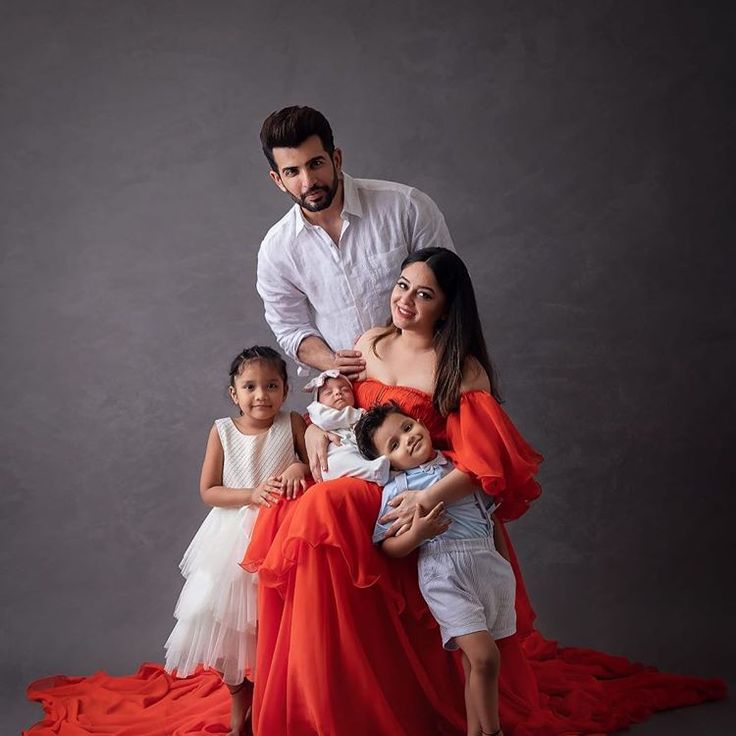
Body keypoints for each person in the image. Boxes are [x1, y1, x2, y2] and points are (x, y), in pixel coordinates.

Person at [243, 247, 725, 735]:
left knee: (328, 504)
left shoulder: (459, 368)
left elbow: (483, 461)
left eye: (424, 294)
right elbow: (337, 409)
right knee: (298, 502)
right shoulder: (369, 343)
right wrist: (315, 434)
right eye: (403, 285)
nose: (406, 301)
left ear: (447, 308)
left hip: (416, 483)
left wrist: (426, 497)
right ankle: (326, 696)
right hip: (367, 475)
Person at [164, 346, 309, 736]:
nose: (261, 394)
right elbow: (209, 490)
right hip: (230, 540)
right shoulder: (223, 430)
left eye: (271, 385)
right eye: (250, 386)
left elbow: (316, 463)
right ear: (234, 393)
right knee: (225, 626)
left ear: (285, 389)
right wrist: (250, 494)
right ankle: (238, 704)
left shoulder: (292, 423)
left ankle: (271, 705)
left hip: (280, 535)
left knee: (272, 625)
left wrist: (299, 465)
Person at [256, 105, 455, 378]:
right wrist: (331, 361)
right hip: (352, 393)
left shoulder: (406, 207)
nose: (308, 181)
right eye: (292, 172)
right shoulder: (276, 250)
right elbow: (290, 328)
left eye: (316, 163)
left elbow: (451, 293)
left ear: (336, 159)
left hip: (429, 373)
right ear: (277, 180)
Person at [356, 402, 517, 736]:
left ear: (419, 422)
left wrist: (504, 564)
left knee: (474, 662)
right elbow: (387, 545)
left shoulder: (459, 464)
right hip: (444, 571)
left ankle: (476, 731)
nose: (407, 439)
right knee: (485, 659)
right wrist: (417, 534)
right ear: (389, 463)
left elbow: (491, 518)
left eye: (405, 428)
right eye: (395, 445)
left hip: (487, 565)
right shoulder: (398, 489)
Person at [303, 369, 390, 483]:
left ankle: (379, 470)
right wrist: (357, 415)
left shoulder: (360, 412)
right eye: (329, 393)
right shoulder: (319, 412)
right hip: (336, 454)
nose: (338, 393)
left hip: (357, 451)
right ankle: (373, 471)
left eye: (345, 390)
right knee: (335, 463)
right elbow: (330, 419)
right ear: (318, 402)